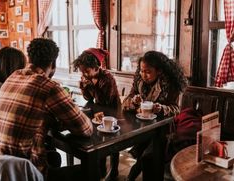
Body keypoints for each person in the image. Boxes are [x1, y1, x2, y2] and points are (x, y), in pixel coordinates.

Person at [0, 38, 93, 180]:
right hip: (23, 174)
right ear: (53, 63)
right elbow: (85, 129)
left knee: (53, 158)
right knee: (91, 169)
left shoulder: (12, 77)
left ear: (29, 59)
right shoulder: (49, 87)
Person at [122, 51, 187, 181]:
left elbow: (176, 110)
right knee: (144, 153)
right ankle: (135, 172)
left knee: (150, 156)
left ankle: (134, 172)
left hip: (164, 128)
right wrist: (133, 102)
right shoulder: (139, 81)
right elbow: (126, 102)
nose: (143, 75)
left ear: (159, 71)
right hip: (143, 126)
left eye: (148, 72)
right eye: (141, 71)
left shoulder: (170, 85)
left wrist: (161, 108)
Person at [73, 48, 120, 180]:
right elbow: (88, 98)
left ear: (96, 67)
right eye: (82, 71)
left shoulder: (107, 78)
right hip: (98, 112)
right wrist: (84, 86)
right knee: (99, 140)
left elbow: (105, 100)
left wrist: (91, 85)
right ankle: (101, 169)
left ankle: (114, 170)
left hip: (112, 111)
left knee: (112, 142)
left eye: (86, 71)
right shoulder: (88, 78)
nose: (84, 74)